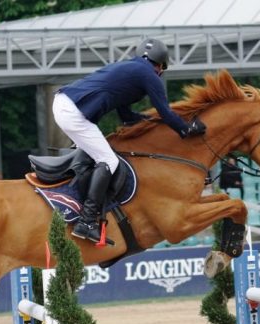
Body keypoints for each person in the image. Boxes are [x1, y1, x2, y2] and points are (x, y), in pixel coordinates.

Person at [53, 38, 205, 243]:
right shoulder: (149, 75)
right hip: (73, 112)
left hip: (65, 104)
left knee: (98, 158)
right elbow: (166, 112)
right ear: (160, 66)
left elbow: (126, 115)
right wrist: (187, 129)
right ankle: (87, 221)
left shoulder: (130, 68)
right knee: (109, 161)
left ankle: (77, 204)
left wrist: (148, 121)